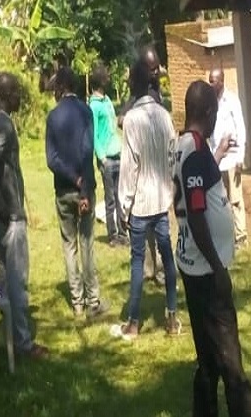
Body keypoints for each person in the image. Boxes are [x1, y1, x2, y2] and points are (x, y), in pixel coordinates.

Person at [174, 80, 251, 417]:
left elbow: (200, 189)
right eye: (215, 113)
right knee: (229, 358)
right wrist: (218, 268)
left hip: (192, 263)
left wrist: (217, 153)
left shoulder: (188, 145)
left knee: (207, 356)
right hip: (204, 269)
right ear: (207, 112)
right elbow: (196, 215)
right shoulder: (193, 151)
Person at [0, 72, 48, 358]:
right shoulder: (3, 125)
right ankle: (23, 344)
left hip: (1, 216)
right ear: (7, 95)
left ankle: (12, 339)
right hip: (10, 217)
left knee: (7, 280)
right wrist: (0, 204)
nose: (21, 95)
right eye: (17, 91)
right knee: (17, 281)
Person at [113, 57, 180, 340]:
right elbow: (172, 156)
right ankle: (173, 317)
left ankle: (134, 322)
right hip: (161, 203)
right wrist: (169, 190)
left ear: (134, 84)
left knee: (138, 262)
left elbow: (130, 168)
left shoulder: (131, 120)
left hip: (140, 204)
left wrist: (123, 208)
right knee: (168, 257)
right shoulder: (164, 115)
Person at [46, 67, 108, 318]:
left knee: (69, 245)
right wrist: (83, 186)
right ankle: (93, 300)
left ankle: (77, 303)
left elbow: (52, 159)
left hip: (63, 190)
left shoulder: (53, 117)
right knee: (87, 243)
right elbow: (86, 150)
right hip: (85, 190)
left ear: (59, 88)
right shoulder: (86, 111)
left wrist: (72, 178)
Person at [118, 45, 166, 285]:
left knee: (160, 232)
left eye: (158, 67)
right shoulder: (140, 99)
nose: (156, 72)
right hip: (143, 178)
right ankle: (151, 269)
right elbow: (125, 116)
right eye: (152, 68)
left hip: (159, 180)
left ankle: (161, 271)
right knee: (147, 231)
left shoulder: (158, 96)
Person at [208, 68, 249, 248]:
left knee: (236, 200)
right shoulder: (210, 103)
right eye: (209, 80)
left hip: (232, 158)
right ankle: (226, 236)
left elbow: (240, 127)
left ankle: (241, 237)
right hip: (217, 159)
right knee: (220, 201)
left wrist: (240, 156)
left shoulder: (231, 100)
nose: (210, 84)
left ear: (221, 82)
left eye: (213, 81)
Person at [88, 65, 128, 247]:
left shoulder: (108, 101)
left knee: (120, 196)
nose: (109, 80)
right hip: (107, 158)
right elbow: (94, 133)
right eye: (106, 78)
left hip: (118, 154)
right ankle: (112, 235)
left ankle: (123, 231)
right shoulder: (94, 106)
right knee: (110, 198)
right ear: (100, 82)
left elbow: (113, 125)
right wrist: (101, 157)